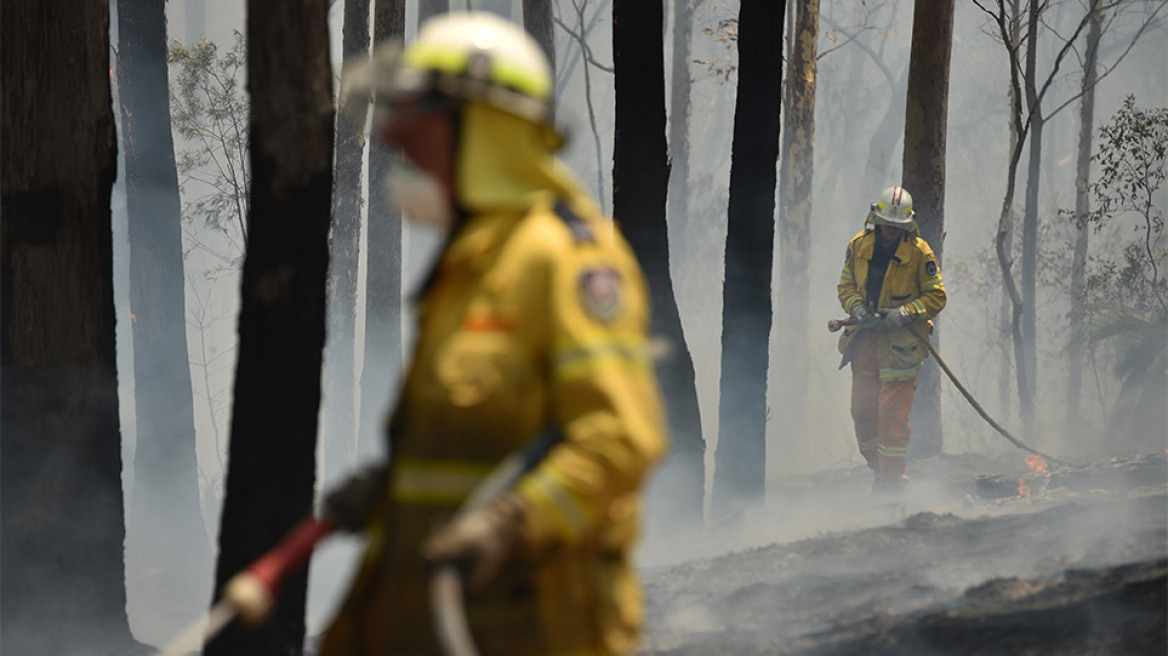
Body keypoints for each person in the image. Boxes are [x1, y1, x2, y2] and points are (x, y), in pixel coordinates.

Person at [317, 13, 668, 656]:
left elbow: (619, 439)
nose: (396, 141)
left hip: (530, 627)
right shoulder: (470, 265)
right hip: (424, 623)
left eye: (417, 128)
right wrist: (390, 489)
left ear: (483, 131)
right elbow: (475, 442)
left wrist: (511, 525)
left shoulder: (566, 261)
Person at [836, 186, 946, 494]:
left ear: (906, 224)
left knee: (892, 418)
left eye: (896, 224)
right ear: (875, 217)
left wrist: (904, 313)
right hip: (865, 342)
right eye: (885, 221)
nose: (890, 228)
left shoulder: (920, 253)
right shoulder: (858, 246)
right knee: (863, 413)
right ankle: (880, 472)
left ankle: (892, 484)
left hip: (901, 346)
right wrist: (856, 306)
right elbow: (845, 285)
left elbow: (937, 295)